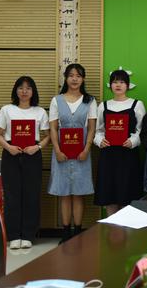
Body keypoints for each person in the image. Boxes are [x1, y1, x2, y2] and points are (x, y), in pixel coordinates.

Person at [0, 76, 49, 249]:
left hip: (32, 154)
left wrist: (37, 147)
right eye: (21, 88)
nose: (24, 91)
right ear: (15, 90)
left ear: (33, 91)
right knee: (12, 195)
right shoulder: (6, 110)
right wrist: (9, 148)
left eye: (28, 88)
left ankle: (28, 235)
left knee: (31, 194)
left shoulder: (40, 111)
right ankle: (13, 235)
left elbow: (48, 136)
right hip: (11, 153)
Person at [48, 64, 97, 244]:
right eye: (71, 75)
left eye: (78, 75)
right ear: (66, 78)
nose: (74, 79)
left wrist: (86, 149)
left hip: (82, 153)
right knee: (64, 193)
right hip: (61, 153)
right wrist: (57, 150)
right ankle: (65, 233)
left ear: (83, 79)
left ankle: (77, 231)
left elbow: (91, 129)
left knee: (78, 193)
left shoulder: (90, 101)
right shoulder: (56, 100)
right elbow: (53, 128)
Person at [93, 69, 146, 215]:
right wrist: (99, 141)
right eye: (115, 82)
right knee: (109, 195)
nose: (118, 85)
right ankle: (111, 227)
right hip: (108, 156)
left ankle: (125, 228)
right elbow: (98, 130)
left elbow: (142, 130)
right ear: (110, 85)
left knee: (127, 194)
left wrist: (133, 141)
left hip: (128, 155)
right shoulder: (103, 106)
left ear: (127, 86)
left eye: (122, 82)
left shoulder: (137, 104)